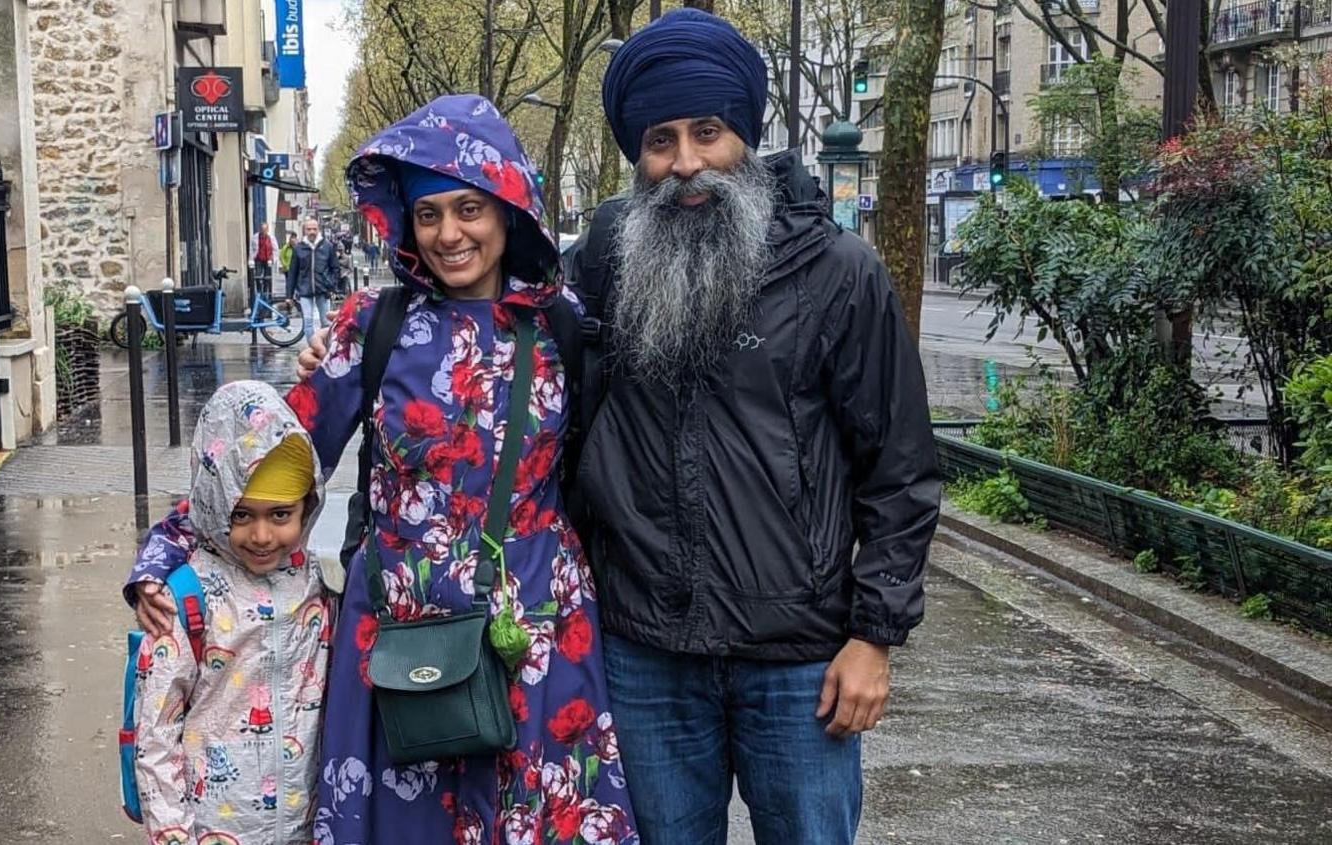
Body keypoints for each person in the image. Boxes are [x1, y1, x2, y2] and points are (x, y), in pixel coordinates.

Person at [299, 11, 940, 845]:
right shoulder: (603, 265)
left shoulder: (837, 274)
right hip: (644, 651)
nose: (685, 163)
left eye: (707, 133)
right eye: (660, 141)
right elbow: (496, 341)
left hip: (797, 657)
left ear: (744, 131)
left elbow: (900, 467)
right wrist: (338, 351)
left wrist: (874, 636)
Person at [129, 94, 637, 845]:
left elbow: (614, 459)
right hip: (400, 633)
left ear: (507, 209)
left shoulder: (564, 324)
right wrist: (166, 551)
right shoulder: (373, 324)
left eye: (469, 208)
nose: (449, 233)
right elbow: (271, 455)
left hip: (531, 627)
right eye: (428, 213)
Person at [131, 379, 330, 845]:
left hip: (303, 823)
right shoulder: (183, 597)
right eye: (241, 515)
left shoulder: (312, 582)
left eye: (280, 514)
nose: (261, 536)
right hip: (211, 830)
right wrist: (172, 831)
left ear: (307, 506)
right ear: (214, 503)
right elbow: (155, 732)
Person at [286, 218, 338, 336]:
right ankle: (313, 349)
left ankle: (326, 350)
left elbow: (335, 268)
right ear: (305, 230)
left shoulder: (327, 246)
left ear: (318, 229)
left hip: (323, 289)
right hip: (305, 290)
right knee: (308, 324)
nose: (312, 232)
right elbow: (292, 273)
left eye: (314, 229)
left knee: (326, 323)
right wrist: (289, 295)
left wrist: (332, 285)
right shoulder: (299, 248)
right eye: (309, 229)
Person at [253, 222, 279, 288]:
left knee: (267, 277)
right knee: (257, 276)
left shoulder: (271, 238)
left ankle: (267, 292)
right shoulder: (255, 237)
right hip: (258, 259)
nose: (263, 231)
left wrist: (273, 259)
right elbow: (252, 248)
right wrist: (251, 259)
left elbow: (275, 249)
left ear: (267, 230)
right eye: (262, 229)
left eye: (265, 229)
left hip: (268, 260)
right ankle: (259, 290)